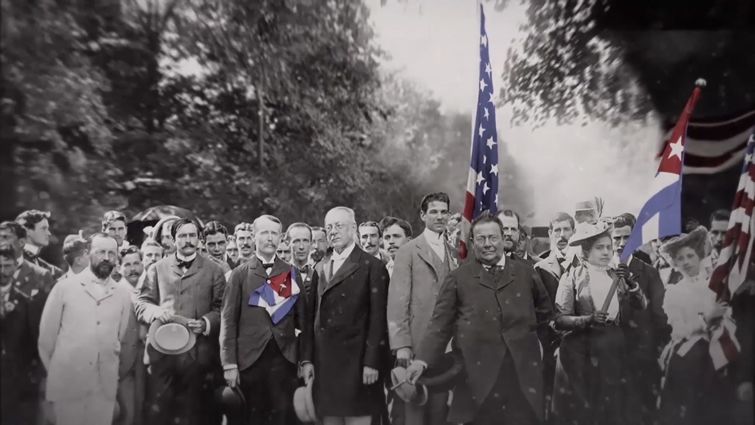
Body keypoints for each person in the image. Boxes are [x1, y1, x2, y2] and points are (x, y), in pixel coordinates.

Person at [406, 212, 553, 425]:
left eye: (493, 238)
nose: (488, 244)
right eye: (481, 239)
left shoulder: (527, 273)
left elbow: (544, 315)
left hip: (521, 379)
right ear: (473, 242)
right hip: (475, 379)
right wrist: (421, 360)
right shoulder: (458, 278)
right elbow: (439, 325)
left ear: (504, 238)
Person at [220, 214, 313, 425]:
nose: (270, 238)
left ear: (281, 238)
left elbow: (304, 323)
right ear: (254, 237)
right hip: (248, 361)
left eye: (274, 233)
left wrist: (306, 360)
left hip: (284, 359)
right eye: (264, 233)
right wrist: (229, 364)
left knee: (282, 417)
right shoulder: (239, 275)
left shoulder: (291, 273)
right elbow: (228, 322)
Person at [552, 222, 647, 425]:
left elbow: (642, 305)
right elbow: (560, 320)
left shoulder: (616, 275)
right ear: (586, 251)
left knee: (612, 405)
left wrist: (631, 284)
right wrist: (588, 319)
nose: (606, 252)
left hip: (613, 346)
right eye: (599, 247)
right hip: (582, 349)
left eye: (608, 247)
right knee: (587, 406)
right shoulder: (571, 277)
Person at [135, 218, 226, 425]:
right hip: (161, 357)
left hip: (198, 360)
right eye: (182, 236)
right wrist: (155, 311)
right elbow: (141, 303)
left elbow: (222, 309)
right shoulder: (157, 269)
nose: (187, 240)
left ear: (199, 239)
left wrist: (205, 323)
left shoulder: (214, 270)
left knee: (195, 415)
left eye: (192, 235)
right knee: (159, 415)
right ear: (174, 240)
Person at [38, 233, 133, 425]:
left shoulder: (122, 293)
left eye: (111, 253)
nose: (106, 258)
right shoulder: (64, 288)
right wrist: (60, 374)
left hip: (104, 388)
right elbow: (46, 341)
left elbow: (122, 339)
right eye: (101, 252)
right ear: (89, 253)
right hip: (69, 384)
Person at [311, 206, 390, 425]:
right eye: (329, 227)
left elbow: (378, 319)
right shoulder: (320, 267)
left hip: (358, 366)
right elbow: (312, 319)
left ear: (353, 228)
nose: (333, 232)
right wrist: (308, 360)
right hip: (326, 365)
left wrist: (372, 362)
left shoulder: (372, 267)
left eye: (338, 226)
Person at [387, 193, 457, 425]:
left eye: (444, 211)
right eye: (434, 211)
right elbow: (398, 303)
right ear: (423, 215)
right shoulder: (409, 251)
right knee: (413, 412)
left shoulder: (453, 253)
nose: (439, 216)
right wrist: (402, 347)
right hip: (415, 345)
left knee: (439, 412)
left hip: (445, 347)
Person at [657, 226, 733, 425]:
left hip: (718, 350)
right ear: (674, 263)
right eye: (680, 258)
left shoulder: (714, 286)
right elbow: (678, 331)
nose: (686, 262)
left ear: (699, 256)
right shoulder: (674, 292)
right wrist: (706, 319)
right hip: (689, 354)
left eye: (690, 256)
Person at [611, 213, 671, 425]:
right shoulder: (601, 271)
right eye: (616, 238)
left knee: (641, 415)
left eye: (626, 238)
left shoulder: (649, 273)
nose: (620, 244)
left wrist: (655, 353)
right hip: (608, 359)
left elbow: (660, 318)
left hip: (641, 359)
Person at [533, 211, 576, 420]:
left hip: (580, 341)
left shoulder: (583, 264)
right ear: (550, 233)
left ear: (573, 232)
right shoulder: (539, 268)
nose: (562, 235)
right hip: (550, 345)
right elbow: (540, 310)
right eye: (557, 230)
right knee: (551, 401)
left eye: (566, 229)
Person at [0, 242, 41, 425]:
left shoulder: (26, 301)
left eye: (7, 266)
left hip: (18, 384)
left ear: (14, 266)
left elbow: (34, 341)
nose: (2, 270)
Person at [115, 245, 146, 425]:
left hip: (149, 361)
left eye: (136, 263)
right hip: (124, 363)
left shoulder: (152, 289)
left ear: (142, 265)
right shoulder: (114, 292)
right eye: (127, 265)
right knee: (128, 414)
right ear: (119, 267)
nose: (132, 268)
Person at [16, 209, 63, 279]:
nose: (49, 233)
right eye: (43, 228)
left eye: (48, 229)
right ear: (26, 231)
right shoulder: (13, 261)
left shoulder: (52, 270)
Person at [286, 222, 316, 297]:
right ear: (288, 243)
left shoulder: (318, 275)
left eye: (305, 241)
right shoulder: (278, 274)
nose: (301, 247)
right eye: (296, 241)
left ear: (311, 244)